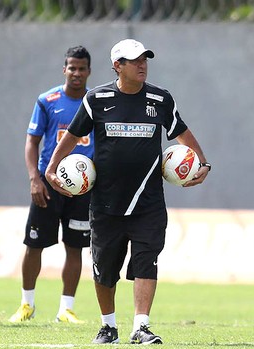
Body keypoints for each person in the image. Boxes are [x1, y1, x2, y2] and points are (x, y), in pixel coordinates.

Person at [45, 39, 210, 344]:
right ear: (117, 65)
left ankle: (141, 326)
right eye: (134, 60)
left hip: (149, 202)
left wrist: (204, 164)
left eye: (145, 59)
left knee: (147, 260)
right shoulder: (96, 99)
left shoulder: (161, 100)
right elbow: (72, 136)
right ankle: (108, 326)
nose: (142, 64)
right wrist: (52, 167)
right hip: (106, 202)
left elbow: (184, 135)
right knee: (105, 269)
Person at [8, 46, 94, 324]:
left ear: (89, 71)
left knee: (75, 247)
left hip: (83, 188)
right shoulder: (48, 100)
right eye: (72, 67)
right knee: (34, 244)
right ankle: (26, 305)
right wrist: (35, 178)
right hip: (49, 183)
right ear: (64, 69)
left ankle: (66, 309)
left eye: (82, 68)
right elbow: (32, 142)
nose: (77, 73)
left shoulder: (96, 103)